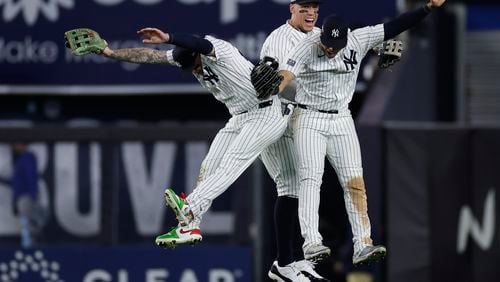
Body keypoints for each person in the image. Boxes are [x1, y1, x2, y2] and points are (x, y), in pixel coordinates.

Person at [270, 0, 446, 266]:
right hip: (308, 117)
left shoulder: (359, 39)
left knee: (354, 181)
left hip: (342, 118)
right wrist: (274, 86)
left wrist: (428, 8)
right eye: (327, 42)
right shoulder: (307, 45)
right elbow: (286, 73)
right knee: (309, 179)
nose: (330, 48)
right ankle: (311, 243)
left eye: (335, 45)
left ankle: (363, 243)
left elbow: (395, 26)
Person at [259, 0, 330, 281]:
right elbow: (273, 84)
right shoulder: (277, 40)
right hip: (277, 115)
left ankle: (294, 260)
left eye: (315, 7)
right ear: (292, 7)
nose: (311, 13)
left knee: (303, 184)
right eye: (305, 7)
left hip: (302, 117)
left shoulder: (319, 35)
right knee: (289, 185)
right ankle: (284, 263)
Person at [10, 143, 43, 249]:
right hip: (21, 196)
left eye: (16, 144)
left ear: (23, 145)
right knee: (26, 221)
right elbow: (16, 181)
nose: (14, 147)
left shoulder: (28, 157)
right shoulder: (20, 159)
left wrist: (34, 195)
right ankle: (28, 244)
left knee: (27, 221)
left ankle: (28, 246)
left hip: (26, 196)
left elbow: (31, 177)